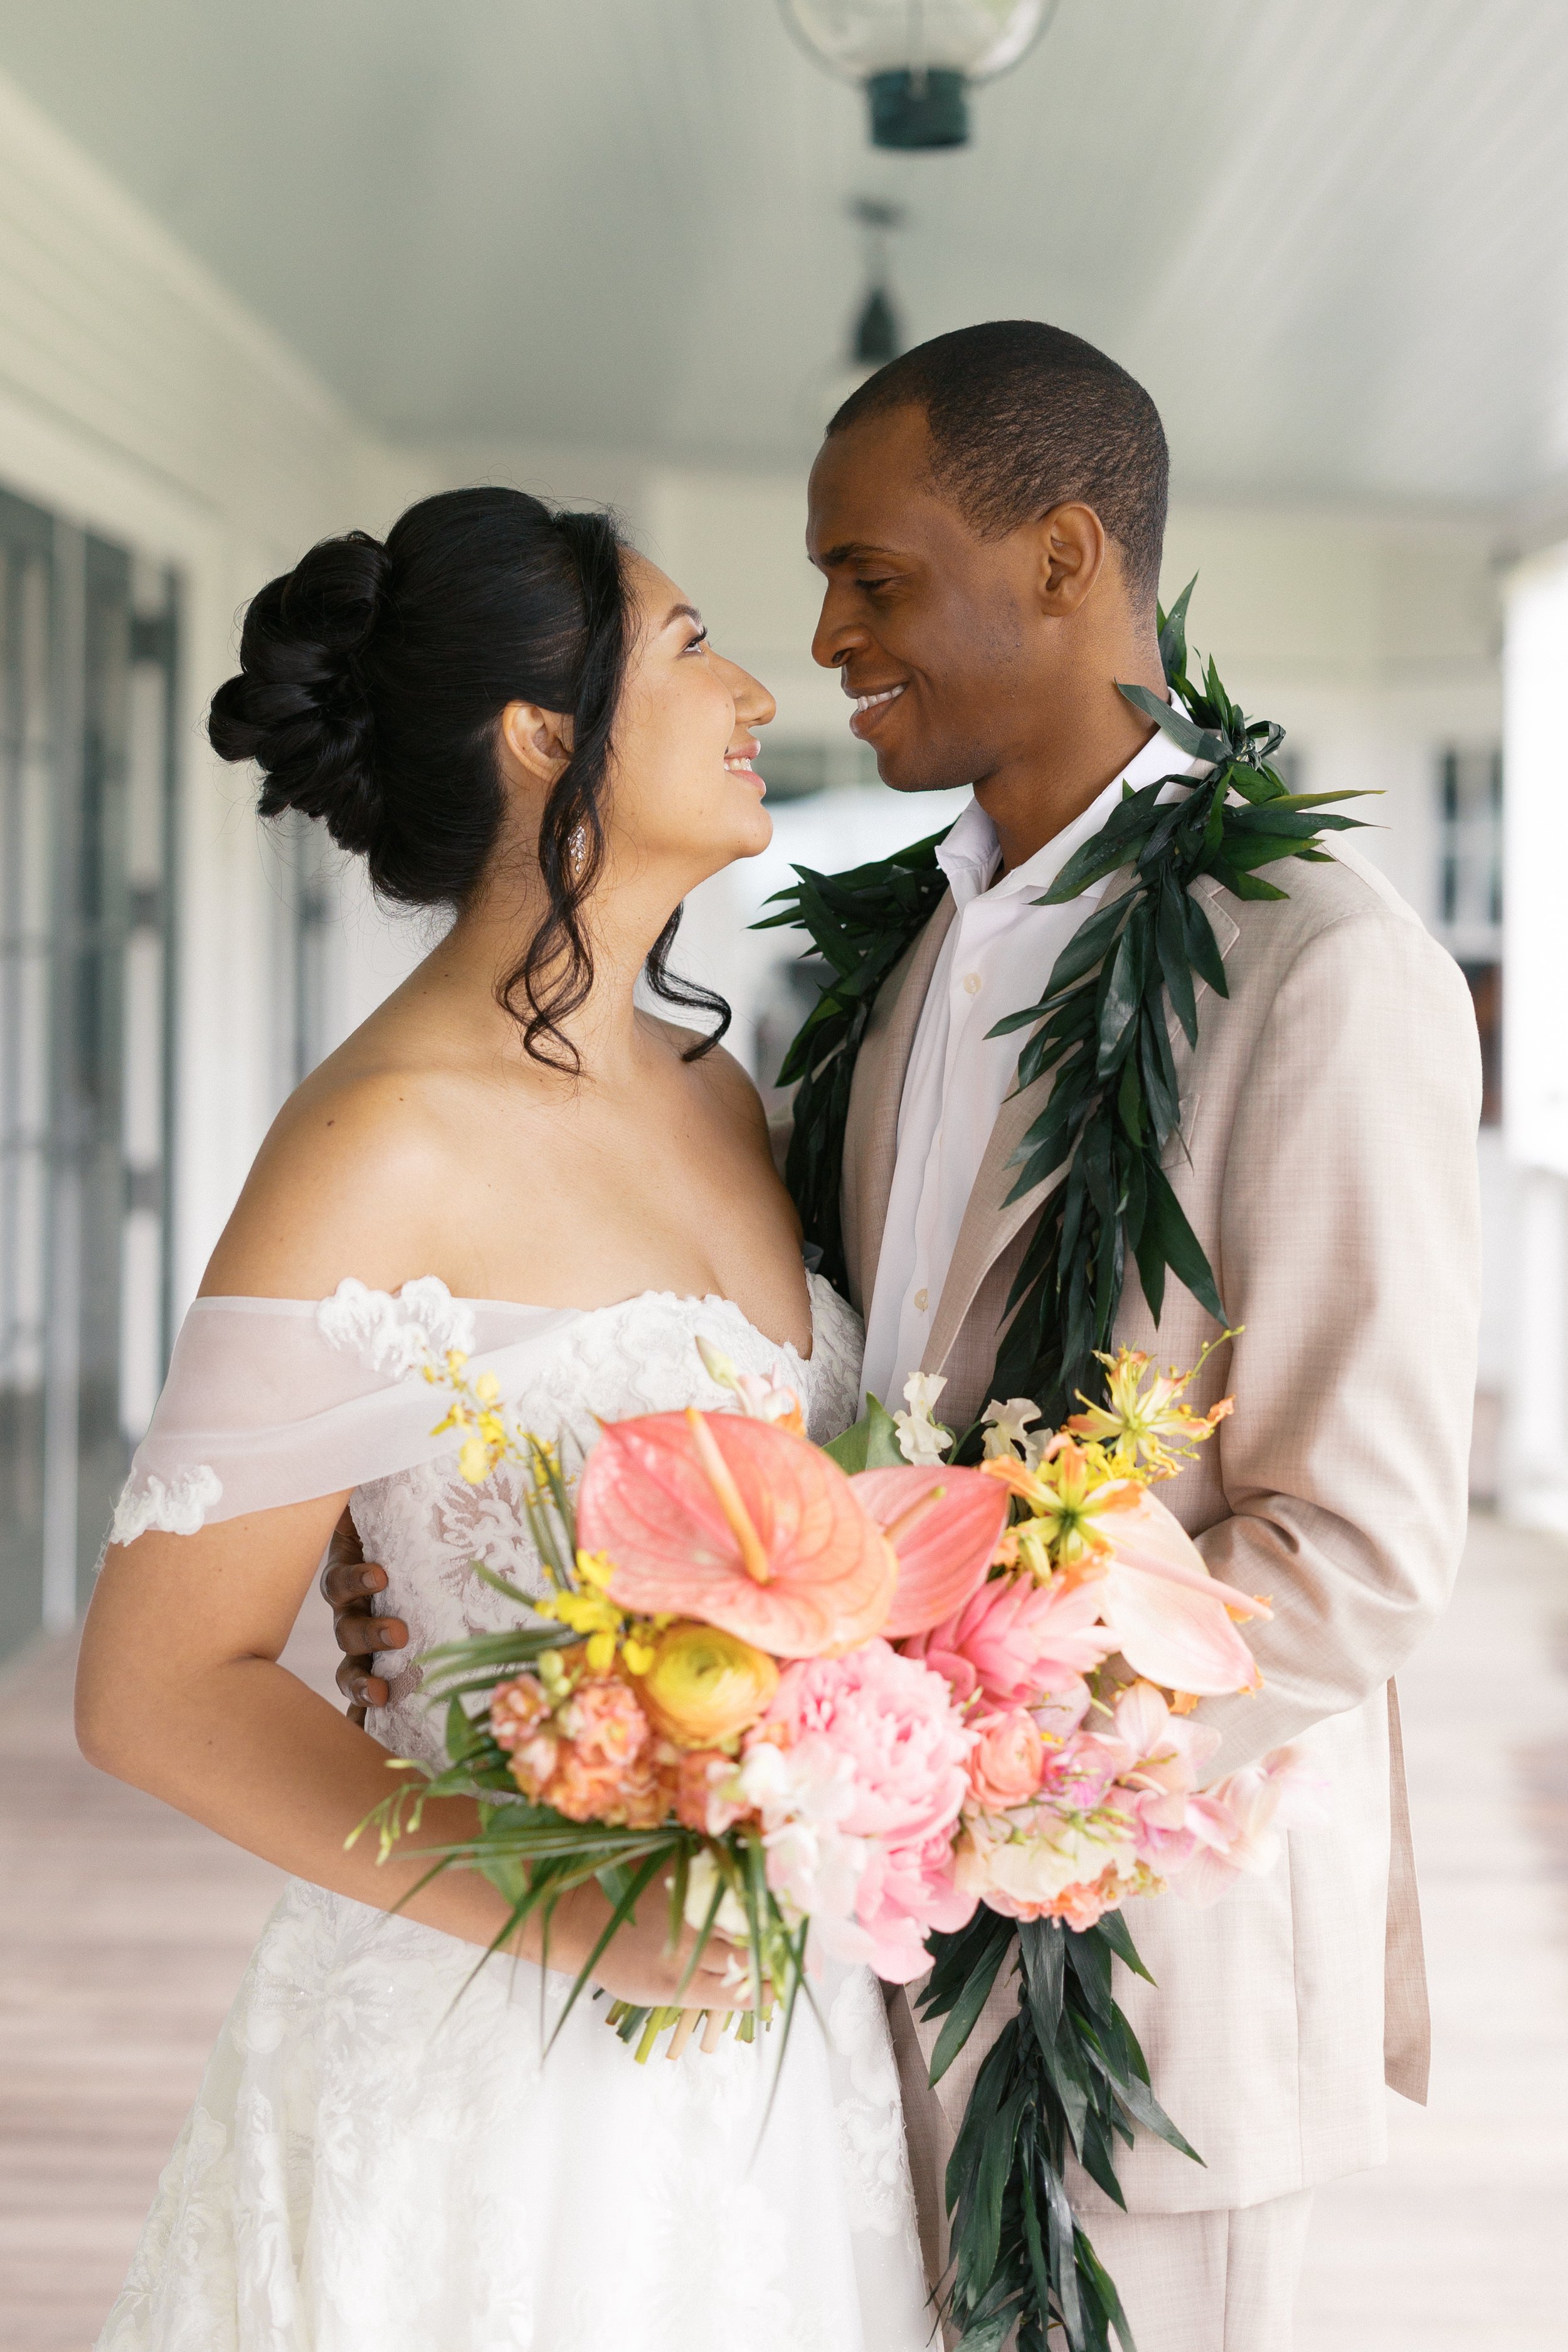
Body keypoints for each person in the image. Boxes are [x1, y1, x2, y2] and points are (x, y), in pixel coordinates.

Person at [327, 324, 1484, 2352]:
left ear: (1058, 560)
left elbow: (1357, 1553)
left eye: (873, 574)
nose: (824, 633)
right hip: (833, 1977)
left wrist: (941, 1783)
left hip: (1140, 2004)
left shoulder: (1321, 970)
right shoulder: (905, 955)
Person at [76, 488, 931, 2352]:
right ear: (544, 736)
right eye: (692, 641)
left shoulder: (719, 1087)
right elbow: (157, 1686)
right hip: (509, 2032)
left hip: (781, 2040)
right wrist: (575, 1921)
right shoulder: (378, 1141)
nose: (748, 685)